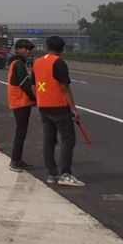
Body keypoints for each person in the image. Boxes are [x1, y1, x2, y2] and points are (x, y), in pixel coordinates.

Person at [32, 35, 84, 186]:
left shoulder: (37, 63)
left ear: (47, 46)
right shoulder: (59, 63)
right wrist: (73, 109)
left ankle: (52, 174)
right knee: (68, 140)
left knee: (49, 141)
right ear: (61, 49)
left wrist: (41, 99)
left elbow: (33, 86)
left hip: (43, 107)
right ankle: (65, 174)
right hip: (59, 107)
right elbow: (64, 87)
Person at [6, 39, 36, 172]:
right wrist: (34, 98)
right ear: (17, 49)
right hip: (20, 102)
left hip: (19, 101)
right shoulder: (18, 64)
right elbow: (24, 84)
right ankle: (15, 160)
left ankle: (18, 159)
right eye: (24, 49)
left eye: (29, 49)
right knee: (21, 132)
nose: (28, 51)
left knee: (21, 132)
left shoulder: (16, 63)